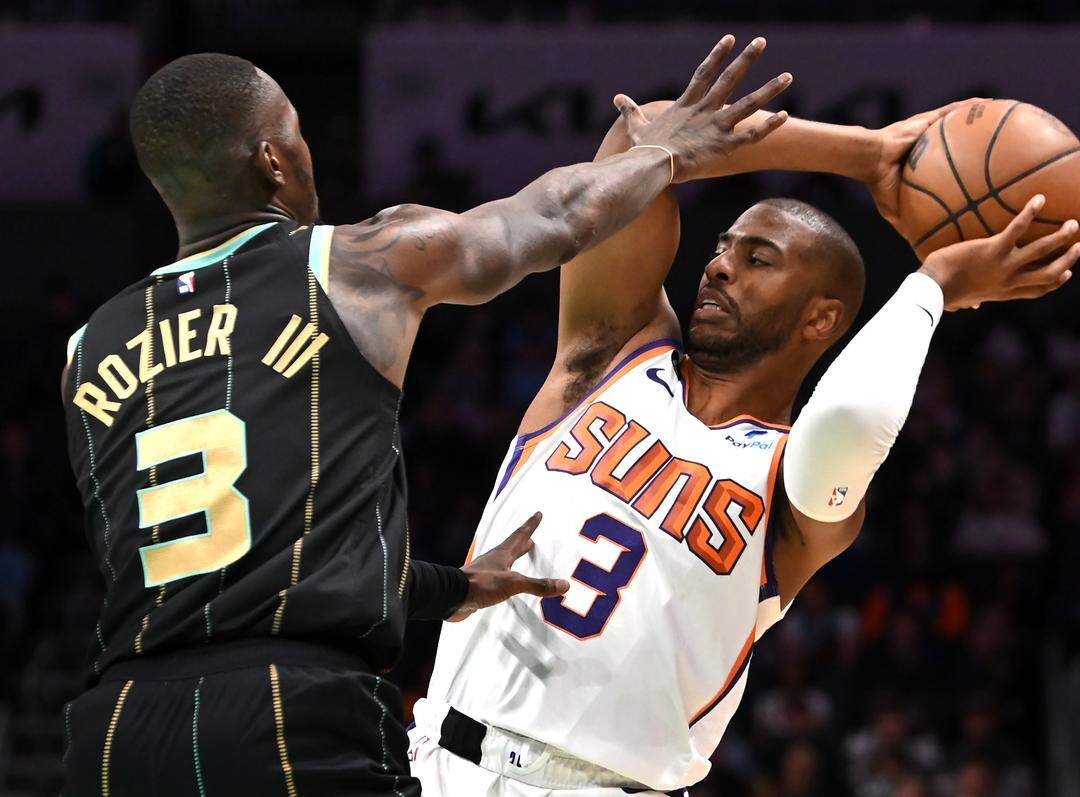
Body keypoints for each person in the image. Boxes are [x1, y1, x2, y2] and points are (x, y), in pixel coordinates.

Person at [59, 38, 793, 796]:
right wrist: (664, 155)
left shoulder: (87, 349)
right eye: (300, 134)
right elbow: (544, 219)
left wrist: (449, 588)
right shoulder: (351, 263)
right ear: (275, 161)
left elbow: (223, 560)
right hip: (288, 716)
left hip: (115, 732)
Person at [411, 95, 1080, 795]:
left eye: (758, 258)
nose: (720, 266)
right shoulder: (609, 353)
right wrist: (868, 153)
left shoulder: (793, 483)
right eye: (722, 249)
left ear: (821, 316)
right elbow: (638, 137)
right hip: (430, 761)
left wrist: (933, 287)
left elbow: (853, 417)